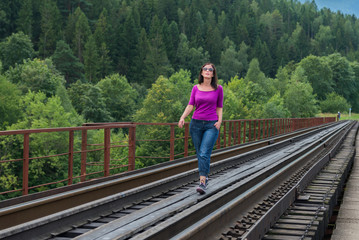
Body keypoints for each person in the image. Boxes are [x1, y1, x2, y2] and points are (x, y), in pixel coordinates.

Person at [178, 63, 223, 194]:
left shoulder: (218, 89)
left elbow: (219, 107)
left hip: (211, 125)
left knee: (204, 152)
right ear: (202, 73)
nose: (208, 71)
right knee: (200, 154)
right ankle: (205, 177)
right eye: (205, 69)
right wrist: (182, 117)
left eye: (210, 70)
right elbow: (190, 105)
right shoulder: (195, 88)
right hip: (196, 124)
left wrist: (219, 121)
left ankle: (202, 182)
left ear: (213, 74)